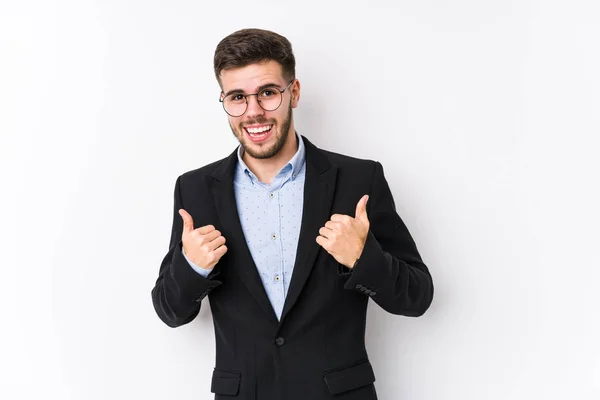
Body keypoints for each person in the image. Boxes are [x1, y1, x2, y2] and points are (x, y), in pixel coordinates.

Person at [151, 28, 434, 400]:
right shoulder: (196, 189)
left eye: (268, 93)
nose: (253, 112)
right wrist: (193, 267)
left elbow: (417, 296)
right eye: (238, 97)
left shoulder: (358, 180)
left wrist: (363, 258)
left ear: (293, 93)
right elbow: (170, 310)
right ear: (224, 100)